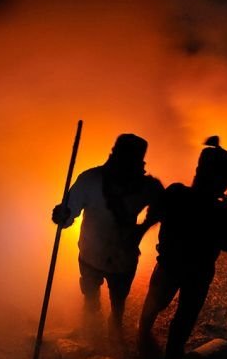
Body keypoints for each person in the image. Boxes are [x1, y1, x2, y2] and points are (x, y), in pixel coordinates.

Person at [138, 136, 227, 359]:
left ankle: (144, 335)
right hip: (198, 272)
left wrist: (137, 234)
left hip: (170, 265)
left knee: (157, 302)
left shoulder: (177, 193)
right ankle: (172, 353)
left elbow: (154, 215)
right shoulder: (219, 210)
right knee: (185, 315)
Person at [52, 134, 164, 341]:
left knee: (118, 298)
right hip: (91, 253)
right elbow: (69, 212)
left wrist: (142, 228)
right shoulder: (90, 180)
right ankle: (91, 327)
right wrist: (62, 215)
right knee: (90, 293)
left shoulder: (146, 187)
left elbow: (161, 207)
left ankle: (115, 325)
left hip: (123, 257)